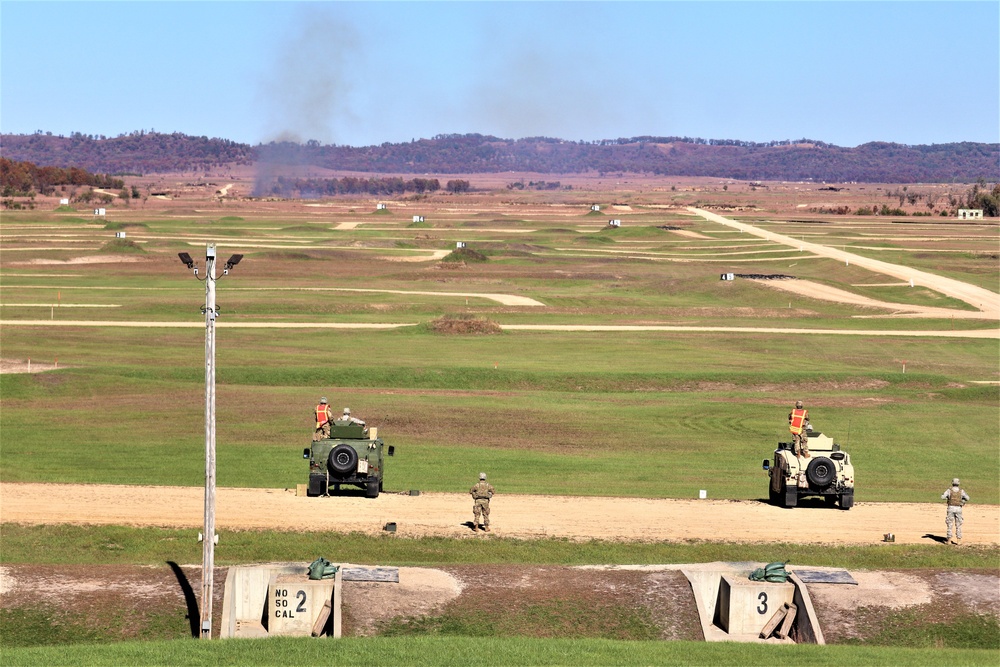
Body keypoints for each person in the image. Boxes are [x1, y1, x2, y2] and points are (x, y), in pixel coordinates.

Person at [941, 478, 970, 545]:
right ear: (958, 483)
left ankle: (949, 540)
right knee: (958, 524)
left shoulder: (949, 490)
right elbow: (967, 498)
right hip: (959, 508)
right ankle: (959, 540)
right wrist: (962, 501)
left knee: (949, 524)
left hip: (950, 508)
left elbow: (942, 497)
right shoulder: (961, 491)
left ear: (952, 483)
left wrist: (947, 497)